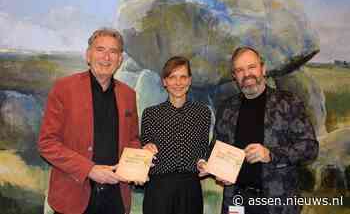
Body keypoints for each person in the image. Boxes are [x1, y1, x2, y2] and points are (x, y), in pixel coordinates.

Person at [38, 28, 153, 214]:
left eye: (113, 52)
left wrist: (138, 164)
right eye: (100, 49)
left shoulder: (128, 95)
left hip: (116, 197)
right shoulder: (64, 88)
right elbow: (47, 144)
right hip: (73, 197)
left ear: (120, 59)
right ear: (88, 55)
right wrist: (89, 170)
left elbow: (132, 139)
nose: (106, 57)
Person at [198, 46, 319, 214]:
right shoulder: (227, 108)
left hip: (278, 204)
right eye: (240, 70)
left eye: (251, 67)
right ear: (234, 76)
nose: (247, 74)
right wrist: (210, 165)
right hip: (236, 201)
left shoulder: (288, 102)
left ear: (263, 69)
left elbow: (310, 148)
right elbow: (215, 147)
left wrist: (270, 154)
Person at [140, 56, 211, 214]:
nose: (178, 83)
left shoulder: (203, 113)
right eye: (172, 77)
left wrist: (201, 161)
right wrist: (146, 150)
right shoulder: (151, 114)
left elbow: (202, 149)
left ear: (189, 80)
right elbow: (145, 148)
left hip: (190, 189)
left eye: (183, 77)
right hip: (158, 190)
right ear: (164, 81)